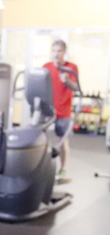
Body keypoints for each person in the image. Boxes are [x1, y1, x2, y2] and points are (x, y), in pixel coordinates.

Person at [43, 39, 79, 180]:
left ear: (64, 52)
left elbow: (76, 87)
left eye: (59, 51)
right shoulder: (46, 66)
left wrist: (67, 81)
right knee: (40, 139)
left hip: (63, 111)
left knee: (63, 143)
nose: (56, 54)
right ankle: (42, 167)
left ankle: (63, 169)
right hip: (47, 110)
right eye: (54, 51)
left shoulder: (71, 67)